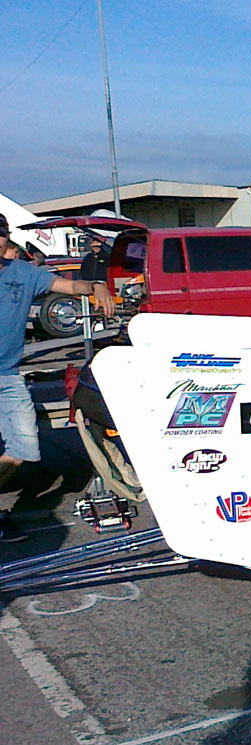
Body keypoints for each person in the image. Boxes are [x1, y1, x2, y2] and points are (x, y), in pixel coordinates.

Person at [0, 213, 115, 542]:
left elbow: (72, 286)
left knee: (24, 451)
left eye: (1, 233)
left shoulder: (23, 273)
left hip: (7, 378)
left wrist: (97, 285)